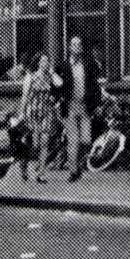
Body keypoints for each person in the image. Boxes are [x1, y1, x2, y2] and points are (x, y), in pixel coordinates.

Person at [60, 37, 103, 183]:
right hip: (71, 106)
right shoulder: (64, 66)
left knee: (86, 140)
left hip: (85, 106)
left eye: (79, 44)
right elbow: (56, 85)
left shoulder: (88, 64)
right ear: (69, 47)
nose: (77, 47)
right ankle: (73, 172)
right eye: (74, 44)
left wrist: (97, 104)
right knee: (73, 141)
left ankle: (78, 165)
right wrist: (58, 98)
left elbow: (95, 85)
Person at [14, 51, 59, 183]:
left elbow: (59, 84)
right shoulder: (31, 77)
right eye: (43, 61)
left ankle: (41, 174)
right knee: (33, 144)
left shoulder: (49, 77)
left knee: (44, 142)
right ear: (38, 63)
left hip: (46, 112)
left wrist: (51, 72)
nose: (46, 63)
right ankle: (24, 164)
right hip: (32, 112)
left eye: (47, 61)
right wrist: (21, 113)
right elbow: (25, 96)